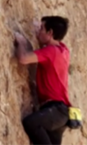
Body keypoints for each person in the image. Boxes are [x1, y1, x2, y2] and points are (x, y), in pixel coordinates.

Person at [14, 16, 71, 145]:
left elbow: (23, 58)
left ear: (50, 33)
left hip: (55, 109)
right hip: (61, 113)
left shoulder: (51, 52)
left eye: (41, 28)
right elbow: (46, 54)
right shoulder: (63, 49)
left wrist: (21, 42)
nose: (38, 31)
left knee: (31, 123)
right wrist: (41, 38)